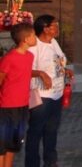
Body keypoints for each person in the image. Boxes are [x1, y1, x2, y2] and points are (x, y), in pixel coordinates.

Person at [26, 15, 74, 167]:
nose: (57, 28)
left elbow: (57, 60)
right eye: (54, 25)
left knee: (51, 131)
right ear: (45, 29)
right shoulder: (35, 47)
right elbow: (25, 69)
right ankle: (32, 163)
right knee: (36, 132)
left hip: (57, 94)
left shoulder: (53, 42)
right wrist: (40, 73)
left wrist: (64, 70)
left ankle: (51, 162)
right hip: (42, 97)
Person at [1, 23, 37, 167]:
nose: (35, 38)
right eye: (33, 35)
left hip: (22, 106)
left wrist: (40, 74)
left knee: (14, 143)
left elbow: (24, 74)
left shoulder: (29, 56)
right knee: (2, 144)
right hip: (6, 107)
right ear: (26, 39)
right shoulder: (9, 58)